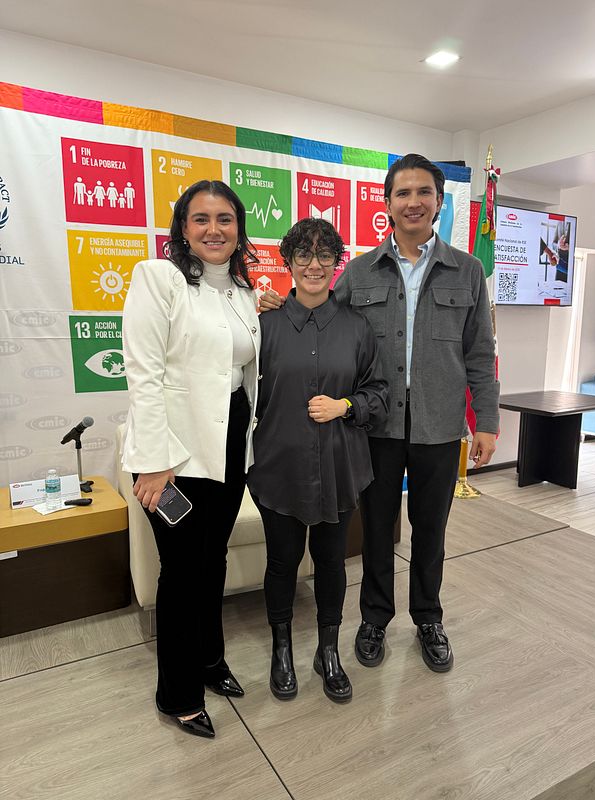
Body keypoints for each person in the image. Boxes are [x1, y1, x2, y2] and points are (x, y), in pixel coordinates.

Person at [260, 154, 499, 674]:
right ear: (387, 203)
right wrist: (275, 308)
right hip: (377, 428)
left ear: (438, 201)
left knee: (431, 529)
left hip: (439, 427)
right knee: (375, 530)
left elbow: (480, 352)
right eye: (402, 193)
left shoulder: (469, 270)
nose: (413, 202)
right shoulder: (362, 270)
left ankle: (428, 618)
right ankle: (373, 619)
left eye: (423, 193)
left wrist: (487, 420)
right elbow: (320, 312)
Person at [121, 180, 260, 738]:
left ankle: (209, 660)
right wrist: (155, 462)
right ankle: (176, 693)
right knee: (180, 574)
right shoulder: (160, 279)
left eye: (224, 219)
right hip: (172, 456)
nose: (213, 229)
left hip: (226, 447)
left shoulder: (244, 293)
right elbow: (143, 373)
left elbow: (243, 369)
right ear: (182, 228)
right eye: (200, 219)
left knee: (213, 560)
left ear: (239, 229)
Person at [248, 218, 388, 703]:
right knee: (282, 562)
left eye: (324, 254)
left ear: (337, 263)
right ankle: (281, 648)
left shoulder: (356, 327)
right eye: (303, 255)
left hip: (340, 466)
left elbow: (379, 393)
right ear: (287, 262)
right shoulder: (261, 325)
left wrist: (345, 406)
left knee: (331, 563)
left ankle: (328, 650)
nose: (313, 264)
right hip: (277, 468)